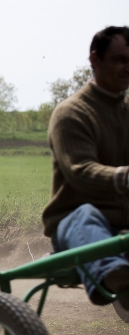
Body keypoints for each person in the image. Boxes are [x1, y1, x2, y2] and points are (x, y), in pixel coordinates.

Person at [44, 26, 129, 308]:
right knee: (86, 214)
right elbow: (80, 171)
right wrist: (124, 177)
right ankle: (112, 273)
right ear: (94, 59)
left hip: (123, 226)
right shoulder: (72, 113)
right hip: (75, 223)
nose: (127, 67)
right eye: (120, 60)